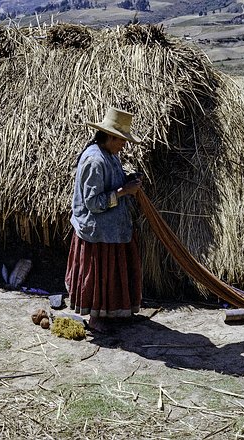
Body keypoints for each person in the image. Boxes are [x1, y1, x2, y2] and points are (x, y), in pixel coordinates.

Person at [65, 107, 143, 332]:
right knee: (100, 277)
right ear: (109, 136)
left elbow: (112, 183)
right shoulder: (95, 161)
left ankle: (112, 314)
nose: (124, 145)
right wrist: (123, 191)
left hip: (112, 229)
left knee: (110, 277)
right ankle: (96, 319)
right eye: (121, 140)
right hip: (98, 232)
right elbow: (92, 202)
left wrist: (128, 180)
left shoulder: (110, 155)